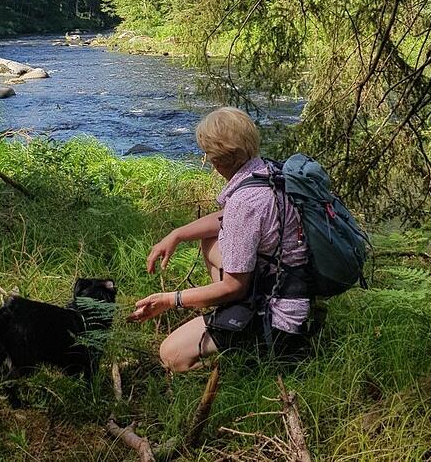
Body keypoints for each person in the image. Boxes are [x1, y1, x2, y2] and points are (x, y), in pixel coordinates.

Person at [128, 107, 313, 372]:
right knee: (209, 239)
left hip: (278, 317)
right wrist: (177, 234)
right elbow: (225, 218)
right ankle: (229, 327)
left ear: (216, 161)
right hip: (290, 289)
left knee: (171, 354)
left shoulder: (245, 203)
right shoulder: (267, 172)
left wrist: (170, 300)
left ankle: (247, 361)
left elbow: (234, 287)